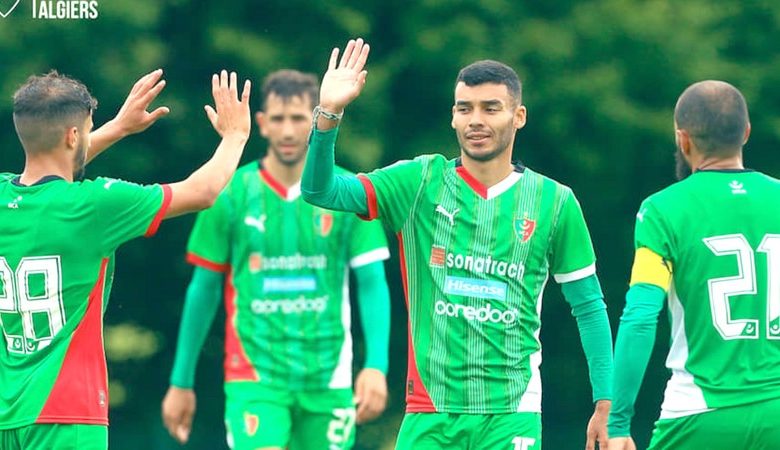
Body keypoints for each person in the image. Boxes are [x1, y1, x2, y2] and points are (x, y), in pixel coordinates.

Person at [302, 39, 613, 450]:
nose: (476, 120)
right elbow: (320, 191)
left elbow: (588, 305)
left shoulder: (555, 202)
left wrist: (607, 402)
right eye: (465, 109)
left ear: (519, 116)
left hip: (511, 413)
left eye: (491, 108)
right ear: (453, 117)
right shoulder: (418, 182)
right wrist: (329, 115)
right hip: (429, 413)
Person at [0, 68, 251, 450]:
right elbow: (201, 192)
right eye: (87, 130)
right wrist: (235, 136)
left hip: (7, 412)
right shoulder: (95, 205)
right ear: (72, 136)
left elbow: (53, 164)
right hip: (67, 413)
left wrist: (117, 128)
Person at [161, 69, 392, 450]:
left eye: (298, 118)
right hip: (255, 376)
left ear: (315, 120)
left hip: (328, 376)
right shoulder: (230, 192)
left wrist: (376, 366)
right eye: (278, 119)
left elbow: (372, 283)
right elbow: (203, 288)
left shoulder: (347, 191)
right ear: (262, 123)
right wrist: (181, 381)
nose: (287, 131)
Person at [608, 81, 780, 450]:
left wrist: (618, 421)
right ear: (746, 133)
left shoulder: (662, 209)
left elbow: (640, 316)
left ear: (682, 139)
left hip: (698, 412)